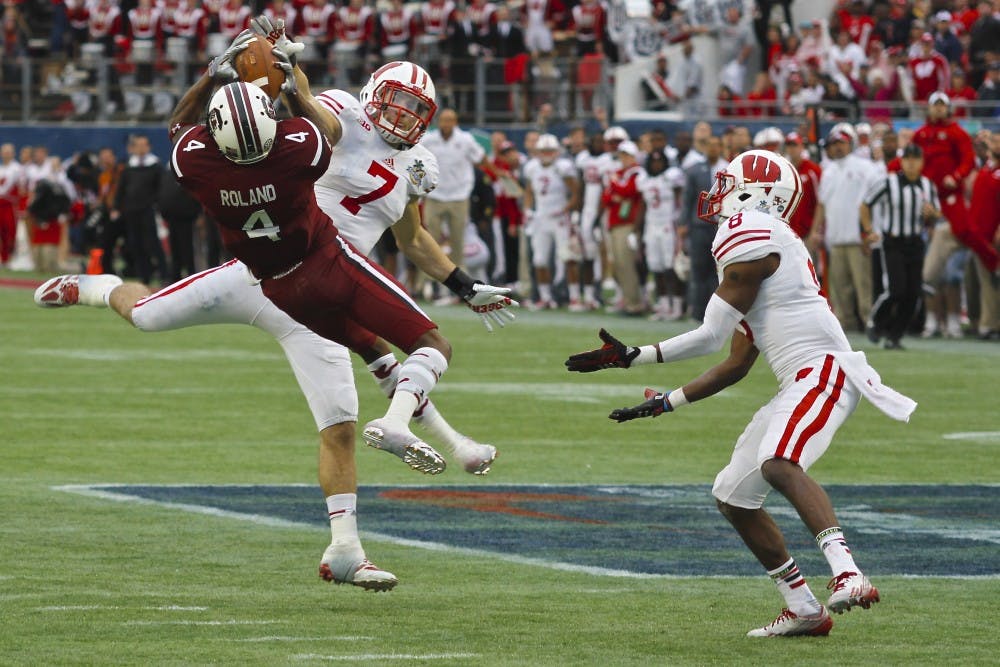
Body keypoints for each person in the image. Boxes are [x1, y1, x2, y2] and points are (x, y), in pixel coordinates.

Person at [34, 28, 513, 592]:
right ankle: (99, 286)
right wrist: (286, 74)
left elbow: (411, 239)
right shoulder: (330, 116)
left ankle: (345, 547)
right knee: (147, 316)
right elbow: (309, 113)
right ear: (371, 92)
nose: (402, 115)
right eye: (396, 101)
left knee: (339, 422)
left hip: (326, 286)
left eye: (415, 108)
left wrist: (461, 281)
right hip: (274, 271)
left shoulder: (417, 165)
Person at [565, 148, 916, 638]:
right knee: (733, 495)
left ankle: (848, 572)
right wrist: (667, 401)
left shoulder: (750, 231)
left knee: (777, 461)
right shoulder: (770, 249)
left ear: (755, 193)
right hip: (802, 378)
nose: (718, 192)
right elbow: (733, 363)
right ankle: (803, 607)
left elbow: (710, 335)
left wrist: (634, 355)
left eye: (728, 182)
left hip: (825, 371)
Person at [860, 143, 940, 349]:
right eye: (908, 159)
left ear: (922, 162)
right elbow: (865, 204)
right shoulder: (889, 182)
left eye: (916, 159)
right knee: (896, 289)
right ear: (902, 161)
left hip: (915, 242)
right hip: (893, 242)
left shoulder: (928, 185)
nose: (912, 164)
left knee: (913, 293)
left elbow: (937, 213)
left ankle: (895, 336)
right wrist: (869, 230)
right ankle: (875, 322)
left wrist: (932, 214)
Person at [810, 128, 878, 332]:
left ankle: (869, 322)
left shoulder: (865, 167)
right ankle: (845, 325)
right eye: (834, 144)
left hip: (857, 237)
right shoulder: (828, 171)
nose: (838, 147)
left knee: (863, 285)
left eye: (842, 143)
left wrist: (869, 231)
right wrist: (815, 230)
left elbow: (872, 201)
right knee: (840, 288)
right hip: (836, 238)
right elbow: (821, 204)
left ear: (851, 144)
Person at [522, 133, 581, 310]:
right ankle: (546, 297)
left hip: (560, 218)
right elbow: (529, 191)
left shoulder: (563, 168)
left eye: (550, 150)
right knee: (539, 260)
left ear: (556, 151)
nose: (547, 153)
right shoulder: (532, 168)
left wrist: (566, 209)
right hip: (541, 217)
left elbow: (576, 193)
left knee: (567, 257)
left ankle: (574, 298)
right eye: (544, 150)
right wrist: (528, 210)